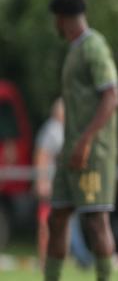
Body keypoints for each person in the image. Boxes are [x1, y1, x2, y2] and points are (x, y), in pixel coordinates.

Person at [8, 0, 118, 281]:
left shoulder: (94, 47)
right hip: (70, 152)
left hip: (92, 152)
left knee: (97, 220)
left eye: (56, 20)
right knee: (57, 217)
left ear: (62, 18)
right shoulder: (74, 49)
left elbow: (112, 97)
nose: (55, 25)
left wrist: (85, 143)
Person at [32, 98, 64, 268]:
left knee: (61, 223)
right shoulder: (52, 129)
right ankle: (45, 260)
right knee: (46, 223)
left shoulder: (63, 129)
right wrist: (42, 181)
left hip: (61, 186)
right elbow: (41, 155)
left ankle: (56, 260)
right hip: (51, 185)